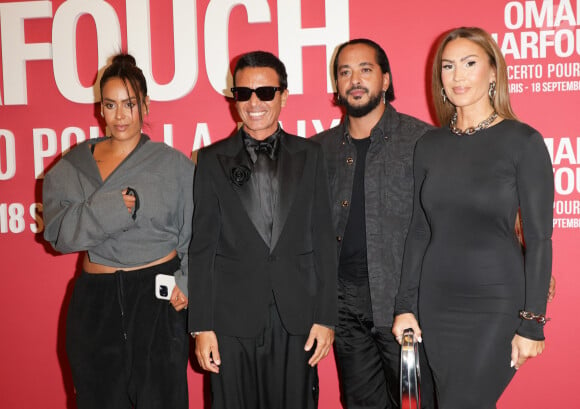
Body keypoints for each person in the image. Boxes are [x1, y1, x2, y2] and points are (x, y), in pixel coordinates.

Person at [393, 27, 554, 409]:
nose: (458, 76)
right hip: (437, 302)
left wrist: (532, 322)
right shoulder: (429, 146)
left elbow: (540, 238)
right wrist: (405, 305)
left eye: (469, 64)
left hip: (495, 302)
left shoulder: (522, 141)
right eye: (448, 66)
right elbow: (418, 230)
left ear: (493, 72)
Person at [43, 54, 194, 409]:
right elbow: (59, 234)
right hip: (95, 302)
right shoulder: (73, 165)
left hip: (157, 299)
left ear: (145, 105)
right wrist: (111, 209)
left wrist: (189, 281)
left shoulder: (172, 164)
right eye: (110, 105)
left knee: (163, 400)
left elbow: (197, 233)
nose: (120, 116)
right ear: (101, 109)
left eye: (129, 104)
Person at [188, 51, 337, 409]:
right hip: (230, 321)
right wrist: (202, 326)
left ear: (283, 96)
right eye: (243, 93)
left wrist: (325, 316)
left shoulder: (311, 155)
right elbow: (202, 247)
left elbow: (323, 239)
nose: (254, 102)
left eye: (266, 92)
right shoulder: (209, 160)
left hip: (296, 318)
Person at [312, 38, 436, 409]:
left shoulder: (423, 141)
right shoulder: (317, 151)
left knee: (417, 404)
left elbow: (457, 214)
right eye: (344, 72)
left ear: (385, 79)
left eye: (365, 69)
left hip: (403, 301)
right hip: (344, 305)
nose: (355, 80)